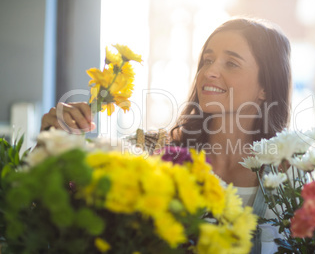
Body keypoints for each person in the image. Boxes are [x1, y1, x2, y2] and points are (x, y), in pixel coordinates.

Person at [40, 17, 292, 253]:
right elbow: (63, 207)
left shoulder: (293, 175)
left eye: (231, 63)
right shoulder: (149, 151)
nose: (209, 72)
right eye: (207, 60)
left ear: (265, 89)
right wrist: (51, 145)